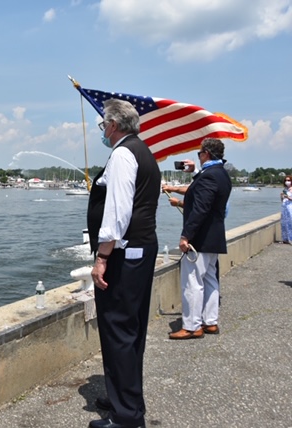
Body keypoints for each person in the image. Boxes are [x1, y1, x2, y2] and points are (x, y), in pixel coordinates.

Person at [87, 98, 161, 428]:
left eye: (104, 125)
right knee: (130, 332)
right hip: (141, 250)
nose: (104, 131)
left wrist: (102, 257)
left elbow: (117, 213)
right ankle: (124, 398)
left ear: (114, 125)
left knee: (118, 331)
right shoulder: (144, 152)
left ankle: (126, 417)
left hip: (123, 254)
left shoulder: (122, 155)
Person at [169, 138, 232, 340]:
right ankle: (210, 322)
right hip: (214, 237)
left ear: (206, 153)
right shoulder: (221, 174)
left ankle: (192, 326)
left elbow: (200, 208)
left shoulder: (209, 176)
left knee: (192, 282)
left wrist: (186, 235)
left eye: (199, 153)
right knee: (211, 280)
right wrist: (195, 172)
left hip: (200, 238)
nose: (199, 156)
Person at [280, 175, 292, 244]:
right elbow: (282, 200)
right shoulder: (285, 189)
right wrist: (282, 196)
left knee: (290, 222)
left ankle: (291, 238)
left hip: (290, 207)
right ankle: (285, 239)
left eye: (288, 180)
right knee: (284, 223)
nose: (287, 182)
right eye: (286, 180)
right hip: (284, 207)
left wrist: (288, 197)